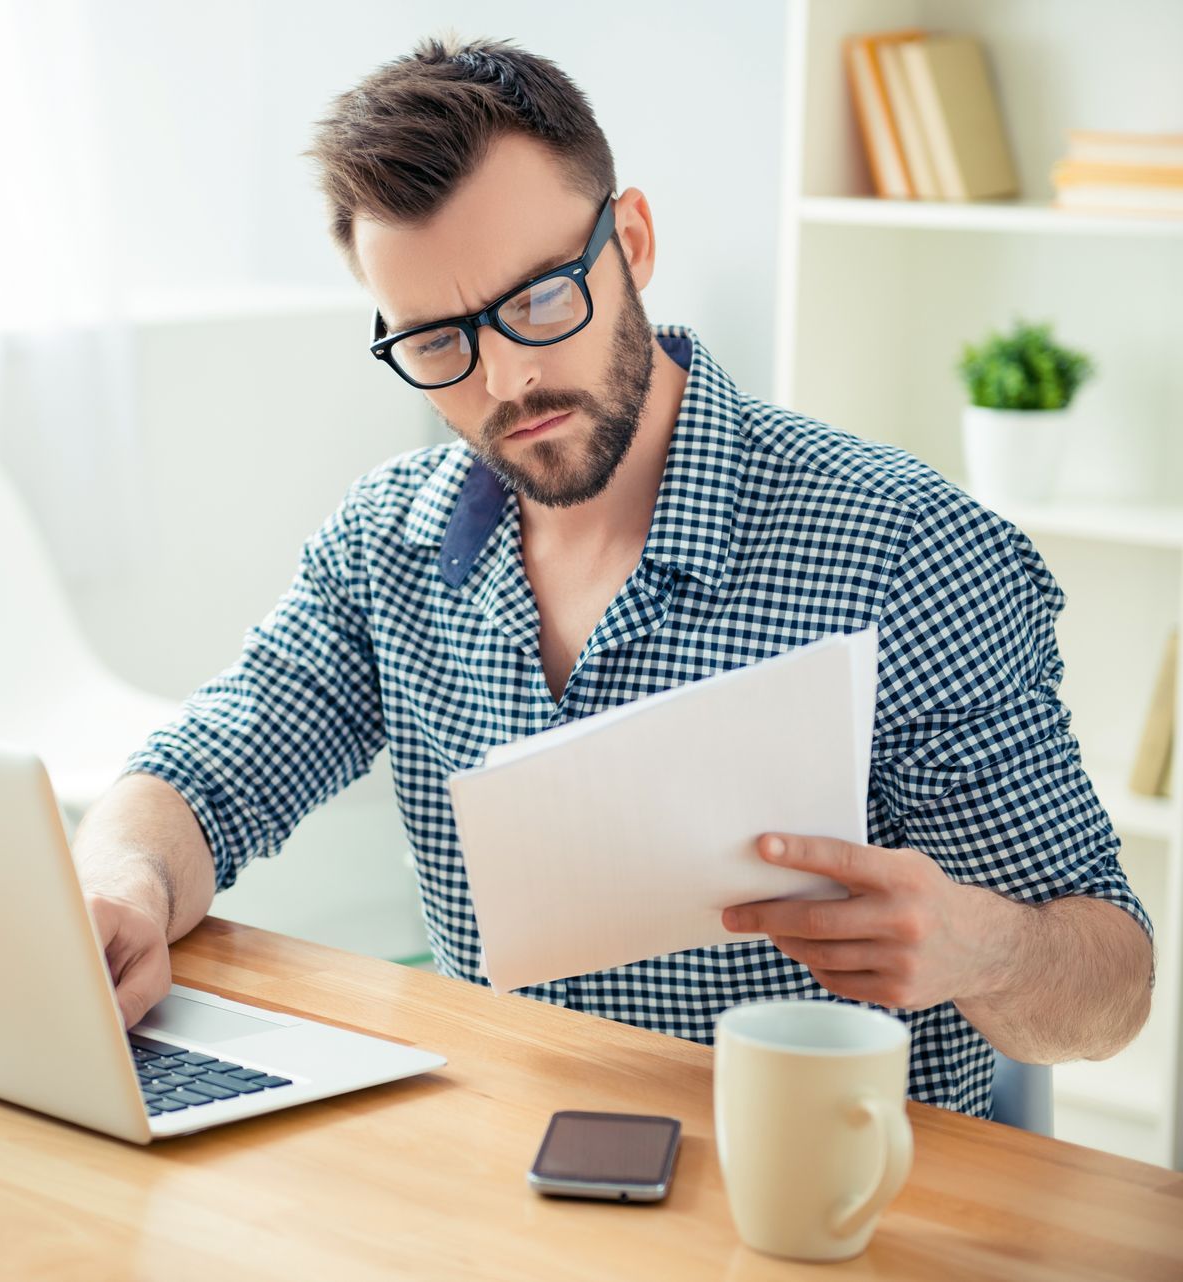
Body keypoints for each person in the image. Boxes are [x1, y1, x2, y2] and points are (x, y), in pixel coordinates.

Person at [71, 35, 1153, 1116]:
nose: (507, 376)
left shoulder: (908, 552)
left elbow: (1111, 993)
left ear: (630, 240)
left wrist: (988, 952)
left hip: (812, 1197)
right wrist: (123, 880)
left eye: (540, 299)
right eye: (438, 343)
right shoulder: (385, 544)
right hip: (509, 1178)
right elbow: (205, 770)